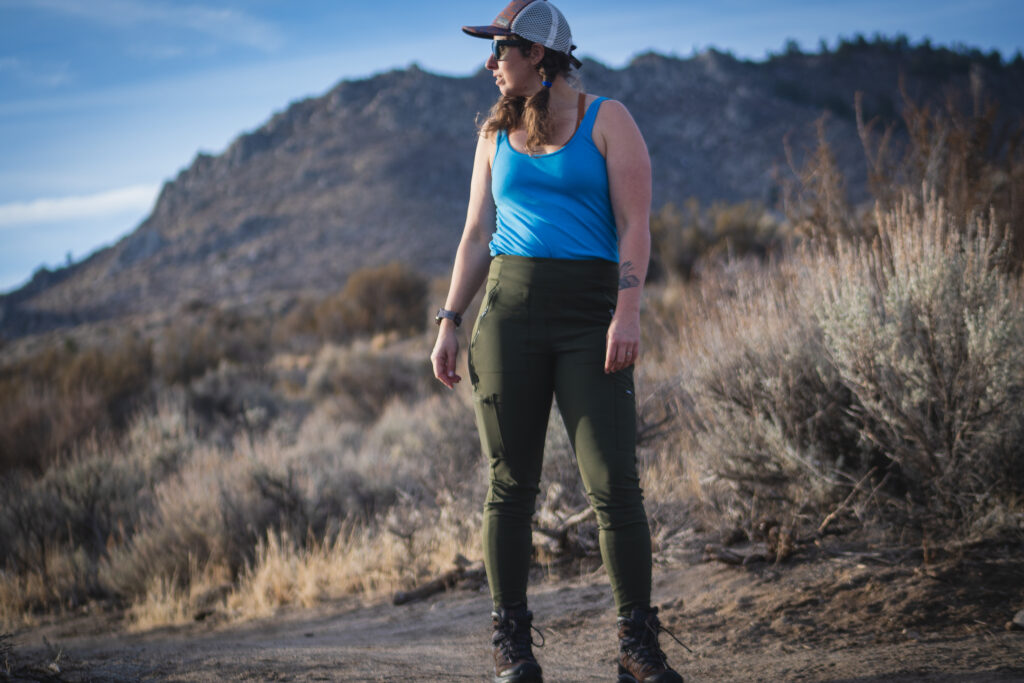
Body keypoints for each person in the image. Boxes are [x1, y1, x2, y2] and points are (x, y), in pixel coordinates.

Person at [430, 1, 683, 681]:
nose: (491, 65)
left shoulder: (609, 120)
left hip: (590, 319)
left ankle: (637, 645)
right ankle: (512, 646)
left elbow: (635, 225)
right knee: (510, 486)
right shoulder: (493, 136)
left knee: (615, 483)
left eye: (501, 51)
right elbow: (476, 236)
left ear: (537, 54)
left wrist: (627, 313)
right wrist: (450, 320)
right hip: (508, 317)